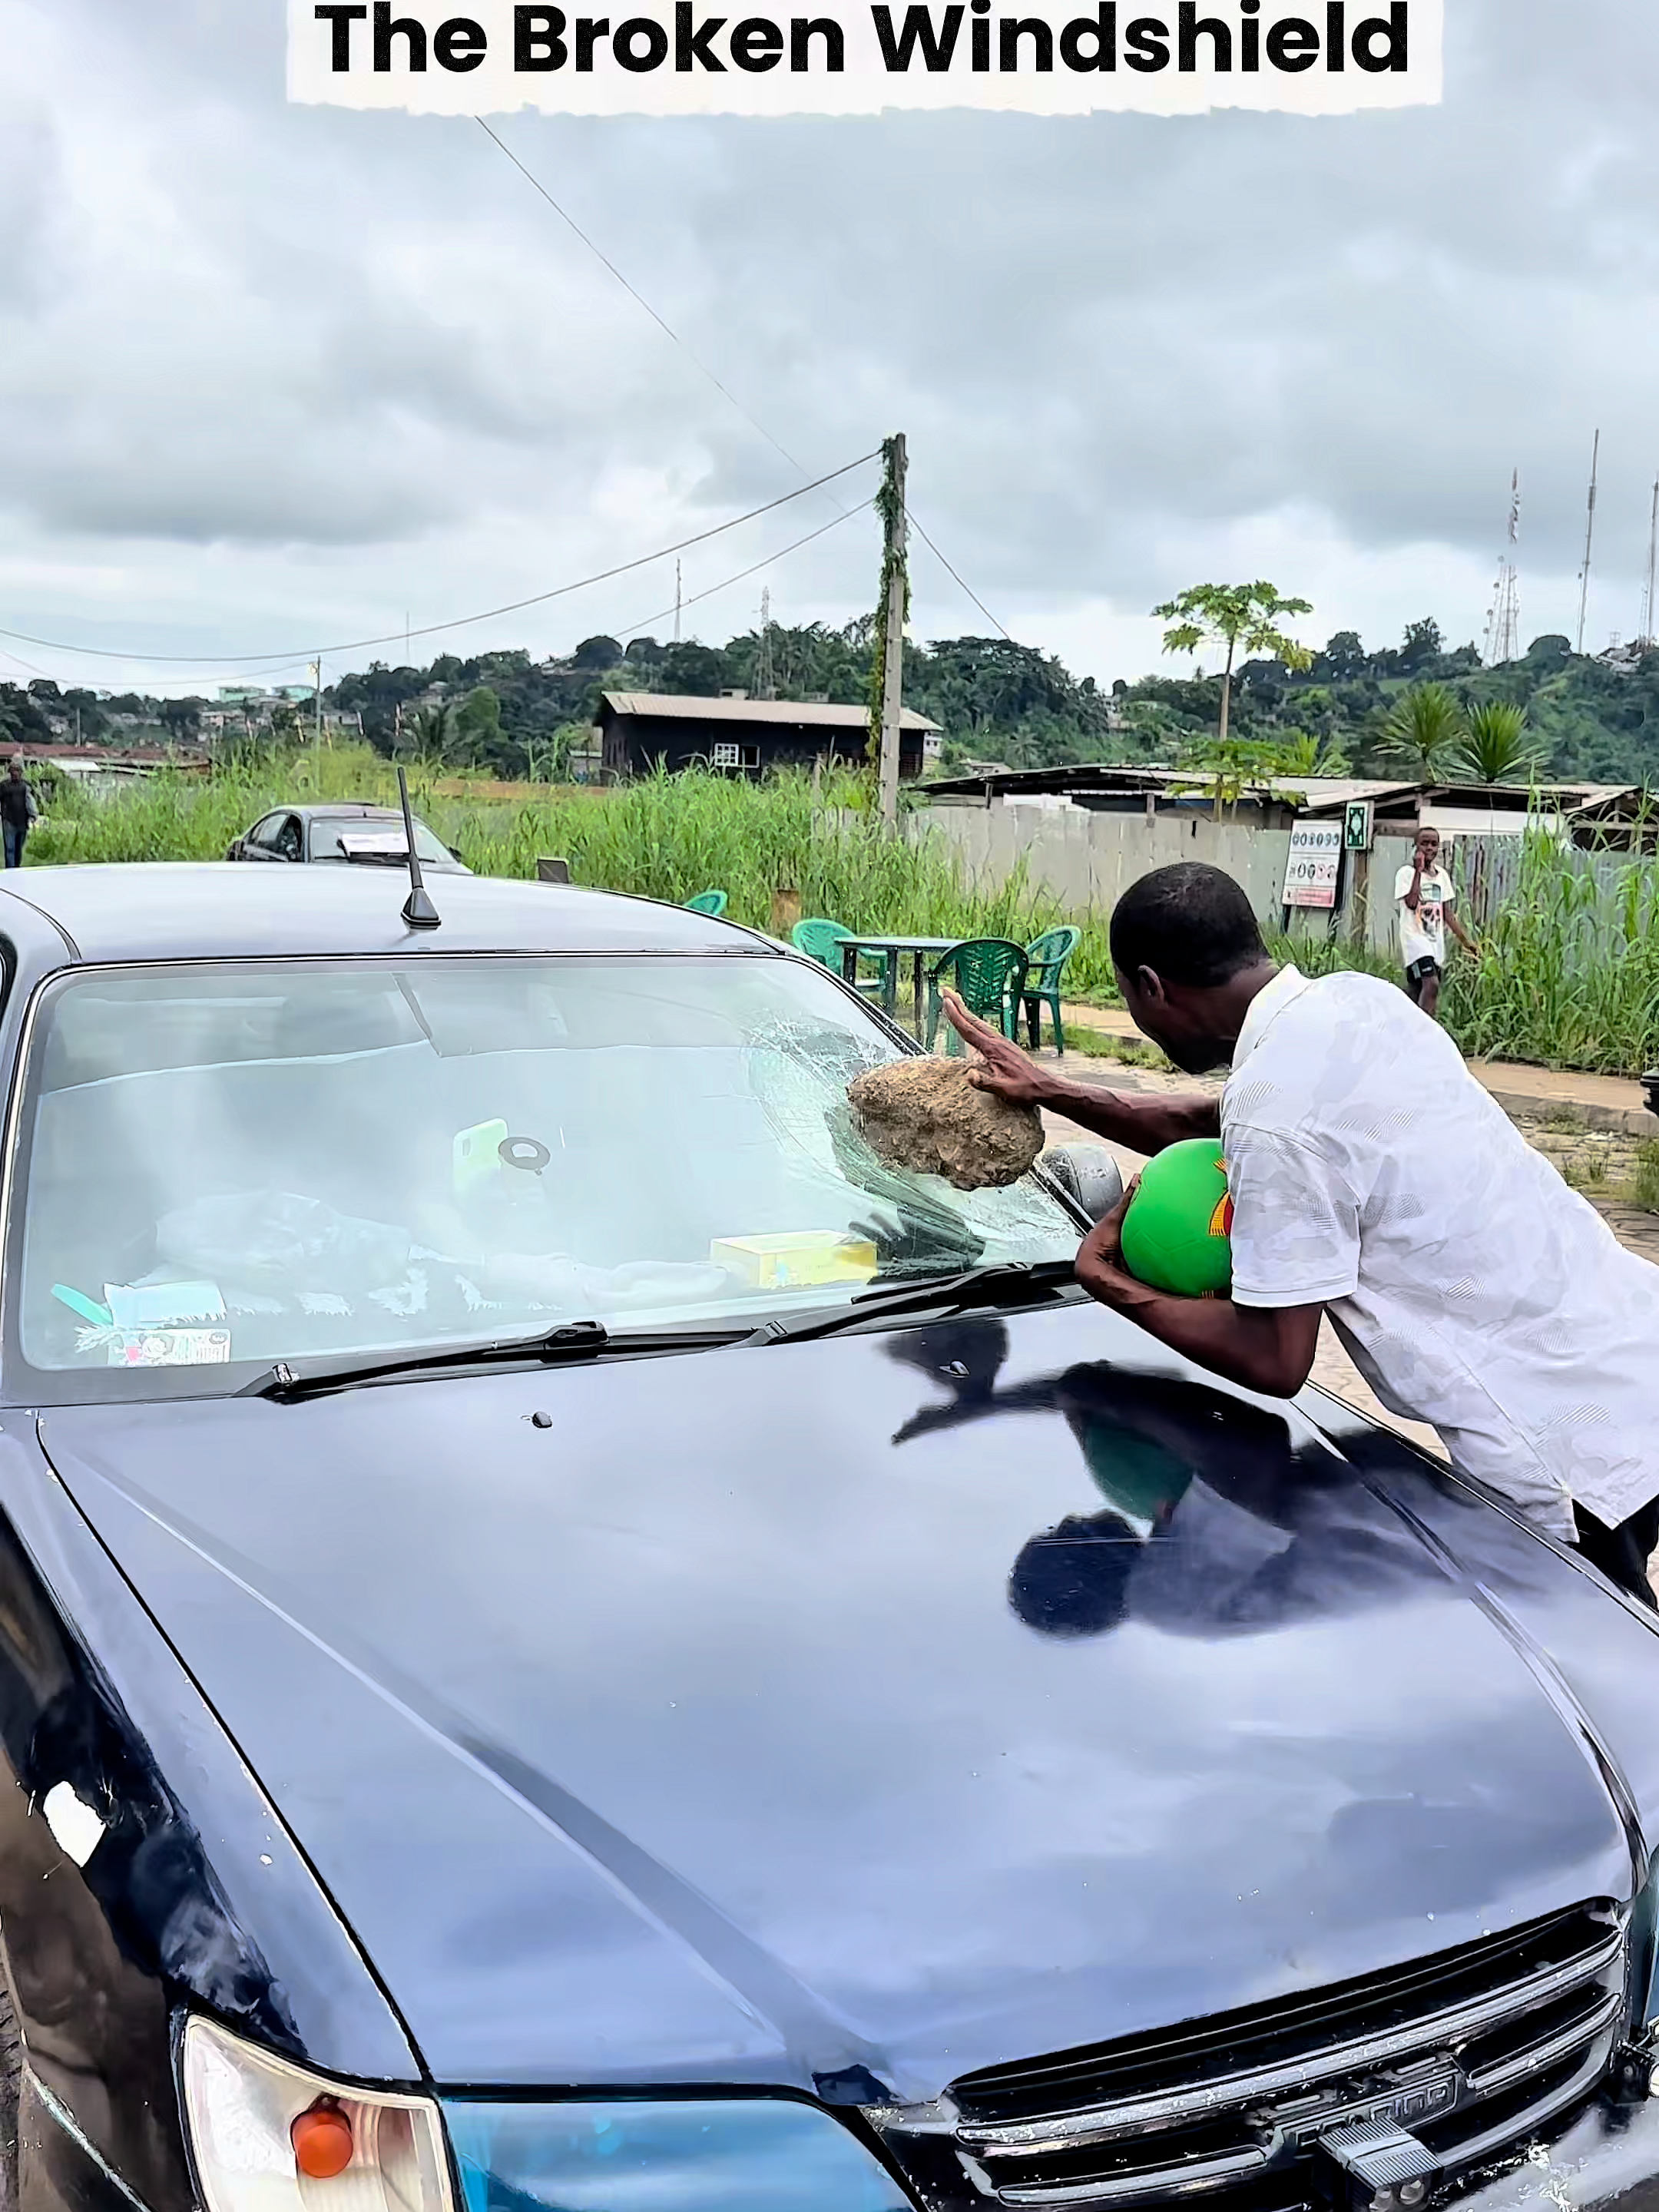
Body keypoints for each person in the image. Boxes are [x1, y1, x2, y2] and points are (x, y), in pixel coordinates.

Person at [942, 861, 1659, 1607]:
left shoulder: (1275, 1114)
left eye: (1128, 999)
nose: (1138, 1022)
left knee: (1609, 1686)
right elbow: (1206, 1121)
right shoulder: (1359, 1003)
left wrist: (1109, 1284)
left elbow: (1276, 1356)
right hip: (1637, 1353)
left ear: (1153, 987)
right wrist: (1051, 1088)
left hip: (1574, 1451)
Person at [1396, 825, 1475, 1018]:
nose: (1429, 848)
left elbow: (1447, 913)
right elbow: (1412, 903)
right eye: (1424, 844)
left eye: (1433, 844)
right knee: (1431, 985)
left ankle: (1395, 1021)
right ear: (1416, 847)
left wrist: (1466, 941)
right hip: (1415, 942)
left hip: (1434, 943)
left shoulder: (1442, 876)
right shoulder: (1406, 874)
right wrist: (1418, 871)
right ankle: (1424, 1035)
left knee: (1416, 993)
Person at [0, 757, 39, 870]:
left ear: (21, 772)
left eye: (17, 770)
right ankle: (11, 871)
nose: (15, 773)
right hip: (8, 821)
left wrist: (33, 815)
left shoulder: (25, 786)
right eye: (13, 770)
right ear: (10, 772)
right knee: (10, 849)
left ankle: (16, 870)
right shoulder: (4, 786)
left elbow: (30, 801)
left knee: (18, 849)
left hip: (22, 822)